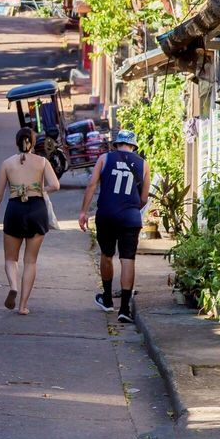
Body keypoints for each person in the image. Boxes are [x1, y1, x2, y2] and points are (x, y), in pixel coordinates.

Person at [79, 129, 151, 324]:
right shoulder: (143, 165)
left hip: (107, 215)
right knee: (128, 259)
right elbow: (144, 198)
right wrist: (130, 209)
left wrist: (84, 212)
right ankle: (125, 309)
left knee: (107, 255)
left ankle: (108, 298)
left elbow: (92, 185)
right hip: (130, 217)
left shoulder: (104, 158)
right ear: (134, 146)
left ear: (116, 144)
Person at [0, 127, 60, 315]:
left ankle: (13, 286)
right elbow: (55, 185)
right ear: (33, 143)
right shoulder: (42, 162)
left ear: (16, 143)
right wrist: (40, 190)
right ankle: (22, 306)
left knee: (11, 259)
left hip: (15, 211)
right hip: (37, 211)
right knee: (30, 262)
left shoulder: (7, 164)